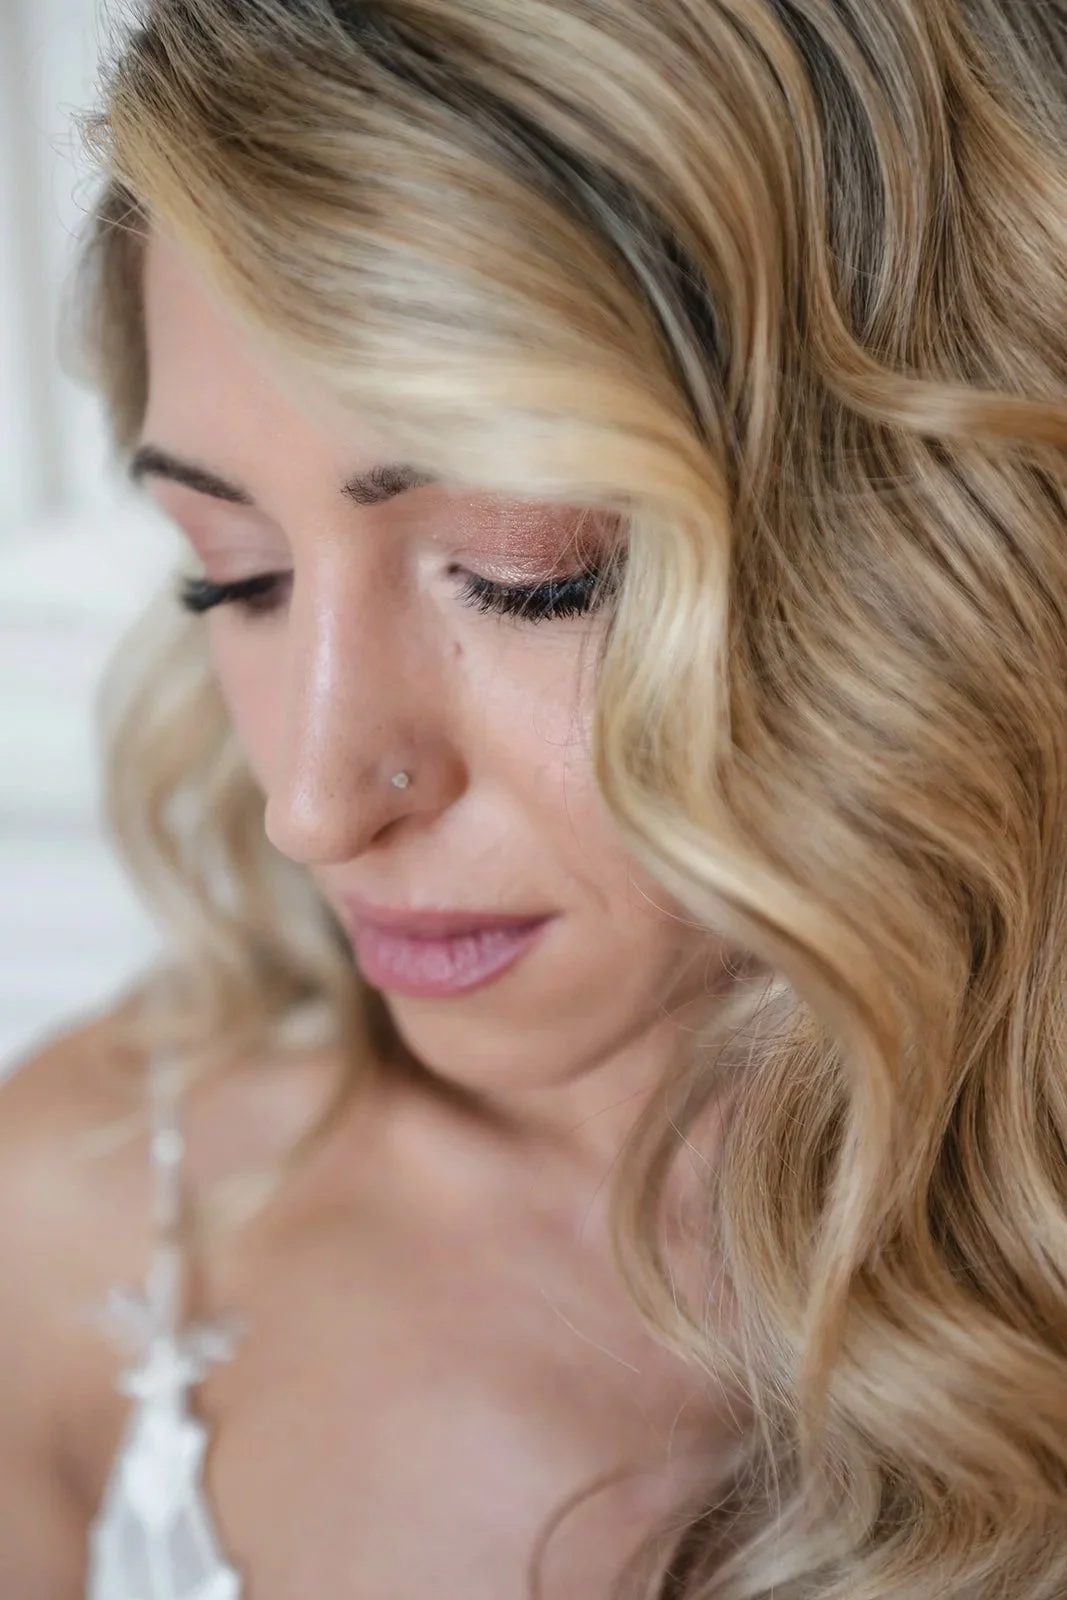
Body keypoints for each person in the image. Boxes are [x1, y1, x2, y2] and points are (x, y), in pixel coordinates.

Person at [3, 0, 1067, 1595]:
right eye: (239, 579)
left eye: (528, 576)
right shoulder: (77, 1226)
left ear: (914, 561)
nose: (314, 803)